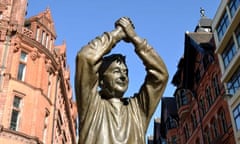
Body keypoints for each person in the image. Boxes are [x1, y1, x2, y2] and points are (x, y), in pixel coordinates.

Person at [75, 17, 168, 144]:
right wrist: (118, 34)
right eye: (116, 71)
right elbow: (86, 58)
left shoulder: (137, 110)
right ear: (101, 80)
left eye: (126, 72)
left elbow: (160, 76)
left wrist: (135, 38)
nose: (124, 76)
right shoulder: (91, 106)